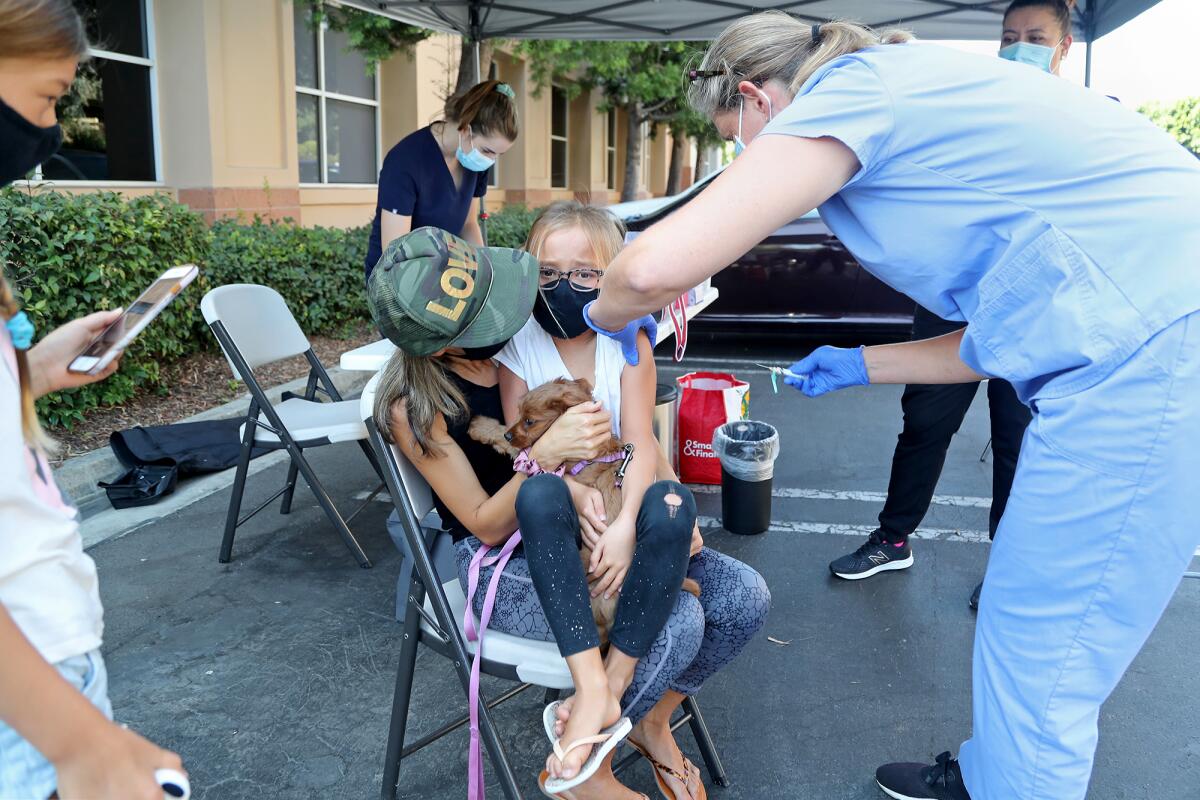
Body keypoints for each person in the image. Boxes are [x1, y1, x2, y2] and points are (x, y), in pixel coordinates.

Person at [583, 10, 1200, 800]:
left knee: (1049, 646)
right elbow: (1003, 334)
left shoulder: (845, 96)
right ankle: (986, 775)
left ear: (757, 100)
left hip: (1151, 352)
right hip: (1133, 337)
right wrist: (861, 364)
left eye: (737, 137)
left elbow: (644, 270)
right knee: (1019, 605)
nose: (748, 157)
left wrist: (595, 320)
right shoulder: (907, 93)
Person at [497, 202, 770, 799]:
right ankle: (593, 718)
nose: (562, 287)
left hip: (624, 507)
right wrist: (571, 489)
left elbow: (641, 442)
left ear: (614, 274)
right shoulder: (519, 345)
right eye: (546, 273)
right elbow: (524, 452)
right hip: (560, 528)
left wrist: (626, 529)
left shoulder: (625, 338)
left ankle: (634, 711)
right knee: (544, 492)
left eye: (584, 273)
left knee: (721, 565)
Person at [830, 0, 1078, 605]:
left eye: (1035, 36)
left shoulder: (1079, 121)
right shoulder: (983, 109)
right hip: (959, 294)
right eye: (1010, 36)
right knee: (924, 423)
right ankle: (893, 539)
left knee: (1017, 439)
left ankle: (1009, 566)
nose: (1019, 45)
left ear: (1064, 48)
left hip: (1031, 311)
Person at [0, 1, 186, 798]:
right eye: (46, 99)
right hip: (29, 697)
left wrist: (31, 372)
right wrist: (83, 746)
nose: (50, 130)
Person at [363, 80, 517, 280]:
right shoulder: (405, 161)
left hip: (443, 274)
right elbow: (395, 253)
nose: (490, 160)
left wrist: (485, 273)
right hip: (396, 279)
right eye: (488, 151)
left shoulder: (473, 161)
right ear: (465, 129)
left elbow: (468, 224)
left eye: (498, 154)